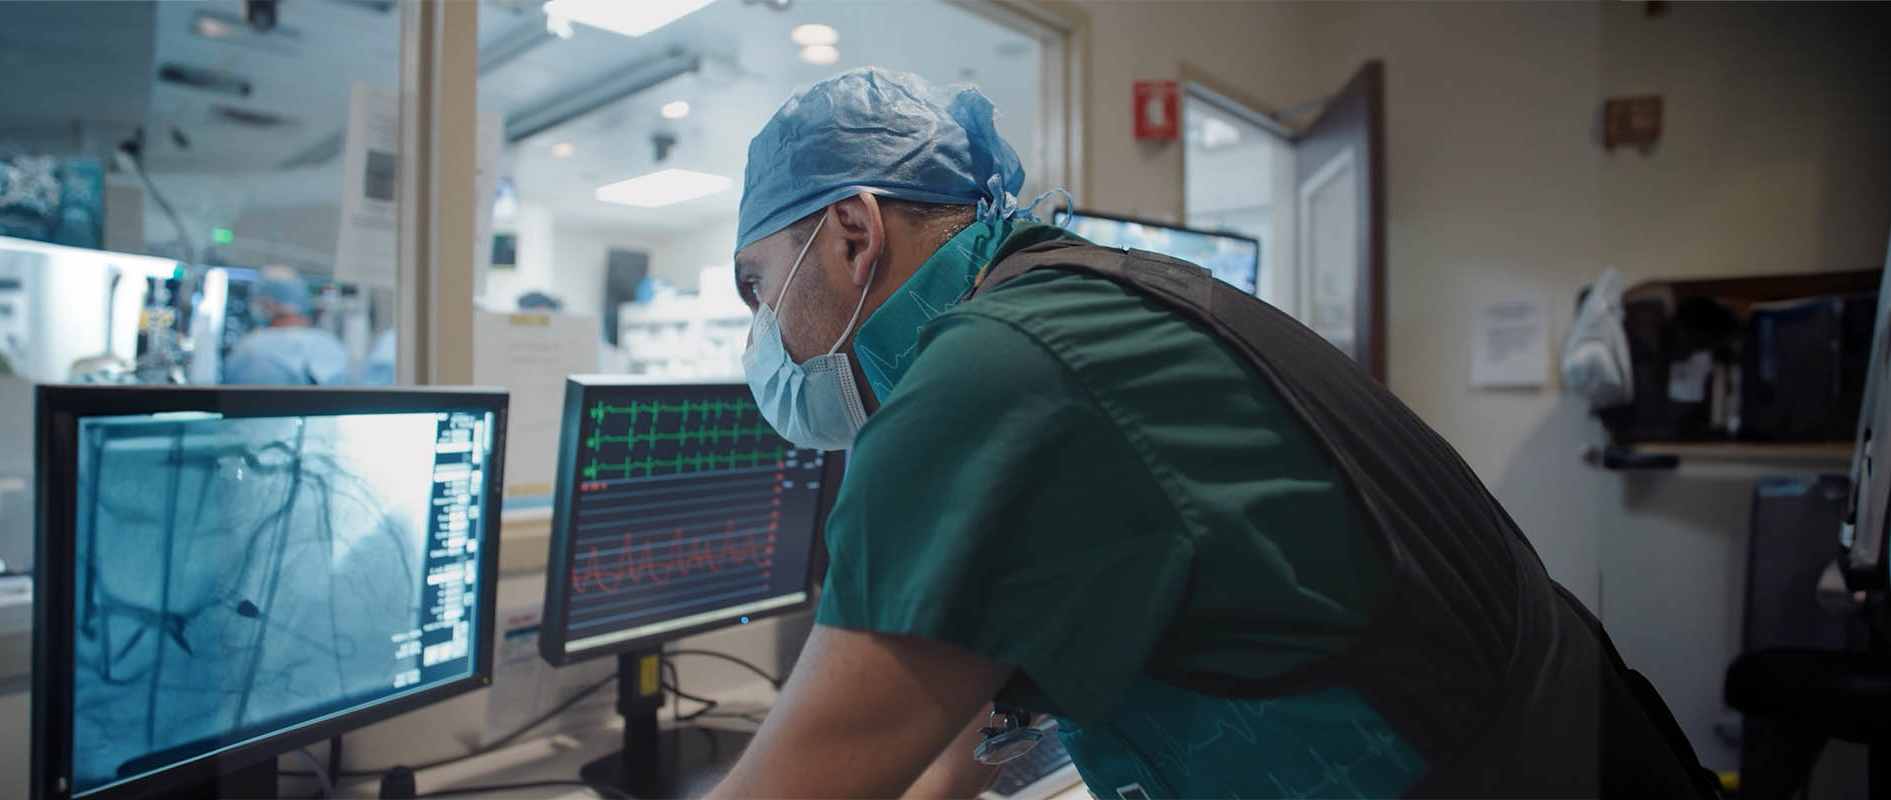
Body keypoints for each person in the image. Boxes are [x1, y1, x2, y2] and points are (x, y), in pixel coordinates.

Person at [708, 68, 1716, 799]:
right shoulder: (1093, 294)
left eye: (759, 289)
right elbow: (958, 707)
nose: (762, 337)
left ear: (851, 235)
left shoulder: (989, 372)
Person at [221, 267, 350, 386]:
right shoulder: (330, 344)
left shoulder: (252, 349)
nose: (254, 305)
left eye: (257, 299)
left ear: (269, 303)